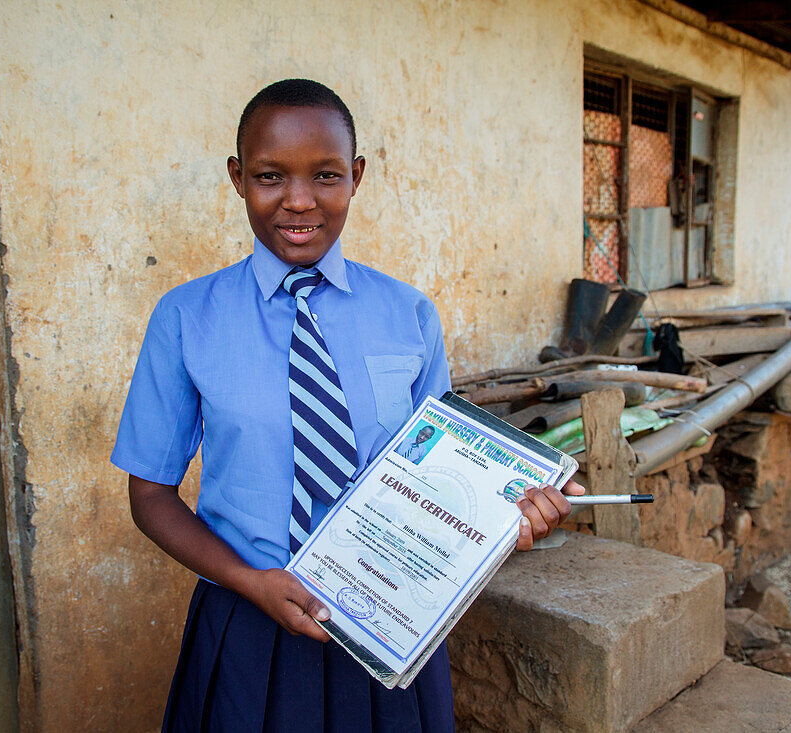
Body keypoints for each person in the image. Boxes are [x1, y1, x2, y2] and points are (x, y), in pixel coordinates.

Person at [112, 78, 584, 733]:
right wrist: (251, 581)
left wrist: (515, 515)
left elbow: (445, 478)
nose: (299, 200)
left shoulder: (408, 314)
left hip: (393, 623)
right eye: (271, 175)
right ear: (237, 176)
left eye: (326, 175)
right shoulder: (189, 318)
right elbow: (151, 494)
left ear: (356, 177)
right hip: (249, 625)